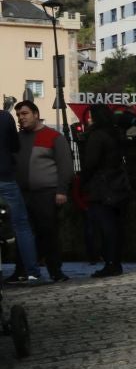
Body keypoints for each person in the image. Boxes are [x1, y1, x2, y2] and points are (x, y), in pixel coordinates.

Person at [13, 100, 73, 282]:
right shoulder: (17, 138)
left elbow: (65, 166)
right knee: (21, 234)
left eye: (24, 114)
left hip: (46, 193)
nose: (21, 118)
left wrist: (62, 190)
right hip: (22, 194)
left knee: (48, 233)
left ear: (36, 114)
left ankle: (55, 270)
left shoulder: (53, 137)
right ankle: (21, 270)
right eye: (18, 115)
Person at [81, 107, 132, 277]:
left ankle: (110, 262)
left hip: (102, 186)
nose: (88, 120)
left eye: (90, 117)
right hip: (118, 184)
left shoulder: (97, 136)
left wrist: (83, 181)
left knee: (106, 226)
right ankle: (114, 261)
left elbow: (90, 163)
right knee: (116, 226)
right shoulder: (116, 134)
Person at [0, 101, 39, 283]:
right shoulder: (4, 117)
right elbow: (15, 146)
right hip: (5, 176)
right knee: (22, 225)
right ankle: (32, 272)